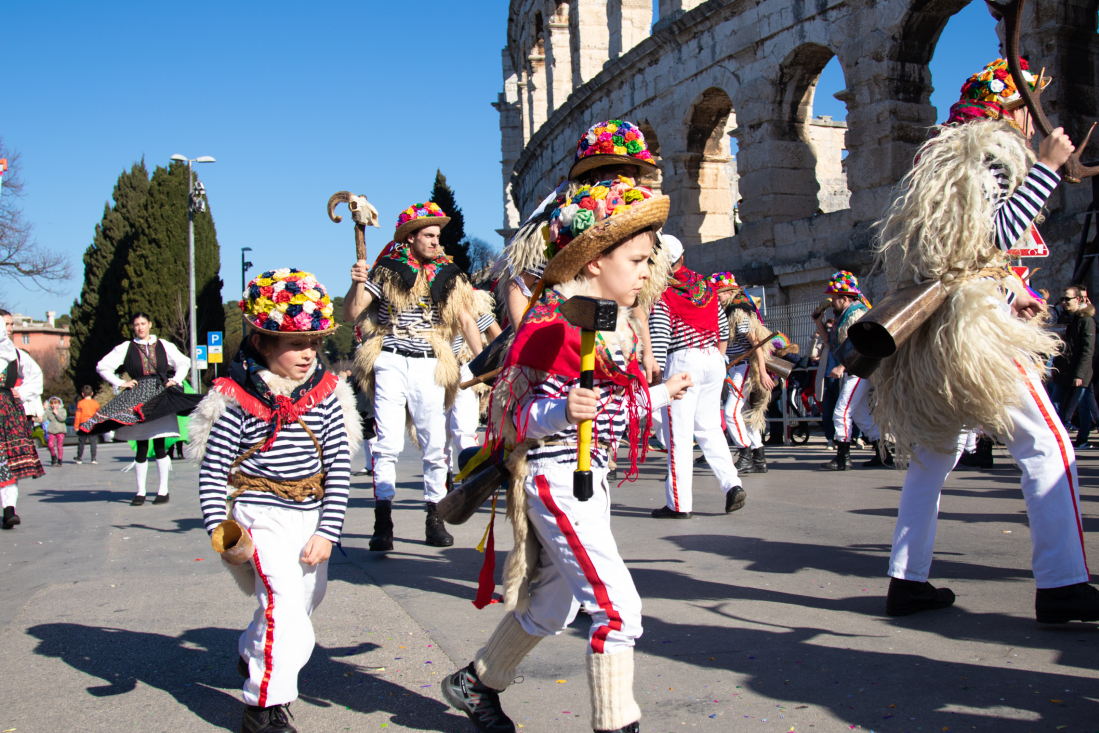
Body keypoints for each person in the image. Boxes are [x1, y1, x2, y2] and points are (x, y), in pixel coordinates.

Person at [441, 175, 692, 733]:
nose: (649, 272)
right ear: (595, 261)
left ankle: (476, 683)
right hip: (556, 478)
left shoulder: (614, 325)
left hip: (588, 477)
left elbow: (604, 411)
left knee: (555, 607)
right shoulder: (555, 328)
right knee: (618, 611)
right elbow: (522, 420)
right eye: (639, 260)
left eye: (650, 261)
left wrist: (652, 394)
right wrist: (568, 411)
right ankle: (615, 724)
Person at [872, 57, 1099, 622]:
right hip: (971, 325)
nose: (1034, 120)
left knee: (932, 454)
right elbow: (987, 235)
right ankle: (1063, 583)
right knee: (1048, 445)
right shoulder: (986, 154)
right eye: (1029, 106)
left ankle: (908, 580)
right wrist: (1045, 168)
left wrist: (1011, 287)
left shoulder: (948, 155)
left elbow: (958, 249)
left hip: (944, 320)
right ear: (1010, 108)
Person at [189, 268, 357, 733]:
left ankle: (251, 650)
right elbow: (213, 470)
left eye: (314, 344)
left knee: (306, 599)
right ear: (262, 343)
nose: (308, 354)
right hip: (259, 514)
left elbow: (339, 467)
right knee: (284, 604)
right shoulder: (237, 399)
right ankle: (263, 707)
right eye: (294, 344)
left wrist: (329, 530)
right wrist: (217, 530)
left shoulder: (326, 396)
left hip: (310, 514)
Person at [343, 202, 492, 550]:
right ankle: (383, 522)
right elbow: (352, 311)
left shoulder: (450, 274)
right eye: (428, 235)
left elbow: (468, 320)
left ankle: (434, 518)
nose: (435, 242)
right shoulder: (387, 271)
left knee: (434, 443)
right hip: (390, 359)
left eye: (437, 236)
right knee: (388, 443)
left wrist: (482, 362)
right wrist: (356, 284)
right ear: (411, 238)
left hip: (431, 361)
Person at [498, 119, 669, 383]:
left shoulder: (635, 226)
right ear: (597, 176)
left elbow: (636, 299)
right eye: (622, 171)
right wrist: (530, 345)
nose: (631, 181)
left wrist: (647, 353)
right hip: (559, 348)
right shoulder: (556, 220)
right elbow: (517, 283)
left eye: (635, 173)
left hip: (615, 346)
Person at [646, 238, 745, 519]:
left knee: (679, 434)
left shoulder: (663, 291)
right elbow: (723, 330)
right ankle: (732, 484)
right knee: (710, 428)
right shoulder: (705, 287)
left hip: (682, 360)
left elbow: (661, 335)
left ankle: (679, 504)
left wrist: (658, 379)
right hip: (714, 357)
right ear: (683, 256)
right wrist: (716, 359)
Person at [79, 312, 197, 506]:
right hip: (137, 397)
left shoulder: (164, 345)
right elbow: (102, 366)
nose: (140, 327)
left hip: (160, 395)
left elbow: (184, 361)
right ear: (133, 327)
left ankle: (163, 490)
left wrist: (175, 379)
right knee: (141, 447)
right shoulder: (126, 347)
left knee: (160, 444)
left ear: (150, 324)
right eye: (136, 325)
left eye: (143, 323)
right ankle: (141, 492)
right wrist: (119, 382)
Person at [812, 271, 890, 469]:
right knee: (860, 415)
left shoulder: (857, 314)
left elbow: (860, 345)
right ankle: (883, 454)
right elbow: (831, 343)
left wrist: (841, 365)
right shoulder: (843, 315)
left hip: (860, 370)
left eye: (834, 298)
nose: (831, 302)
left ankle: (843, 457)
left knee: (841, 411)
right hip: (854, 370)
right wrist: (818, 322)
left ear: (845, 298)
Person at [713, 272, 774, 474]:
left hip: (745, 367)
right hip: (737, 367)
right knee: (745, 412)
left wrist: (763, 372)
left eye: (719, 294)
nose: (716, 298)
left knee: (731, 412)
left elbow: (756, 344)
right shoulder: (727, 313)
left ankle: (744, 452)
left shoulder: (738, 314)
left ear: (729, 292)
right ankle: (759, 457)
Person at [0, 316, 45, 530]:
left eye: (10, 324)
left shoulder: (17, 355)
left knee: (9, 460)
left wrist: (22, 392)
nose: (9, 329)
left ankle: (9, 509)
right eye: (5, 324)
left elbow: (36, 377)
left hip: (8, 411)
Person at [449, 309, 501, 486]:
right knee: (439, 430)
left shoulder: (478, 309)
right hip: (438, 367)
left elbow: (500, 340)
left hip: (466, 369)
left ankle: (470, 477)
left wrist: (482, 364)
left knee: (462, 426)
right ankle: (443, 480)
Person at [1051, 286, 1094, 430]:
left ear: (1078, 299)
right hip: (1063, 369)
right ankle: (1060, 437)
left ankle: (1083, 439)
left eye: (1068, 299)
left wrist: (1080, 374)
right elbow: (1059, 346)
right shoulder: (1063, 317)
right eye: (1062, 299)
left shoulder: (1086, 320)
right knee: (1056, 404)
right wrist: (1054, 368)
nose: (1064, 302)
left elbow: (1087, 350)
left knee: (1083, 404)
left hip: (1079, 371)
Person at [73, 386, 100, 465]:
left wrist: (76, 426)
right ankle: (93, 458)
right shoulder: (95, 403)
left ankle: (79, 458)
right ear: (92, 393)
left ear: (82, 394)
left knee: (81, 441)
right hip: (92, 423)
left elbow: (77, 416)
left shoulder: (80, 403)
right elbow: (98, 415)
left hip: (83, 423)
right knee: (93, 442)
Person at [43, 396, 67, 466]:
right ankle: (53, 456)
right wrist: (34, 419)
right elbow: (43, 419)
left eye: (55, 403)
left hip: (60, 430)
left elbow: (62, 419)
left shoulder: (62, 410)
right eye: (52, 403)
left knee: (59, 446)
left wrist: (56, 413)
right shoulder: (48, 411)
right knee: (50, 445)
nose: (54, 405)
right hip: (52, 430)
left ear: (59, 403)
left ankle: (60, 460)